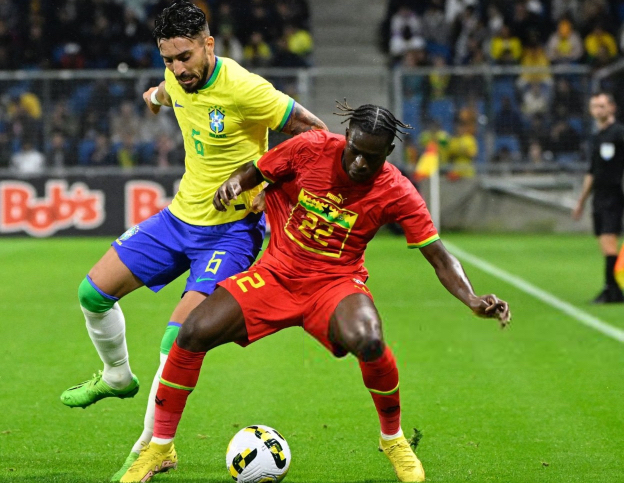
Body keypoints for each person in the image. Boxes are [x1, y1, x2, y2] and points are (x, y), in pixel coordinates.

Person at [121, 102, 512, 483]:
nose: (360, 163)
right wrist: (235, 184)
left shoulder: (397, 190)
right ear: (346, 137)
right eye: (355, 151)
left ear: (389, 153)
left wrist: (473, 299)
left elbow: (440, 257)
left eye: (371, 158)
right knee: (191, 334)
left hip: (335, 283)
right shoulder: (310, 147)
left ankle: (392, 440)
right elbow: (257, 170)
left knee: (370, 340)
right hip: (276, 273)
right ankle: (160, 448)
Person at [59, 2, 327, 480]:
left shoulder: (246, 88)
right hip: (179, 217)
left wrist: (271, 184)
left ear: (209, 45)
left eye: (185, 57)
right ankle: (118, 376)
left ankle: (154, 447)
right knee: (92, 294)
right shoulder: (176, 81)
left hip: (231, 232)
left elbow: (317, 134)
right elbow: (164, 93)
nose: (178, 68)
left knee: (178, 336)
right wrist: (155, 95)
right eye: (168, 59)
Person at [573, 91, 624, 303]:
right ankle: (613, 289)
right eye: (595, 106)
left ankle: (611, 289)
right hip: (599, 197)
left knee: (608, 240)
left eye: (602, 106)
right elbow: (591, 172)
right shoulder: (596, 138)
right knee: (604, 242)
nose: (598, 110)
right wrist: (581, 202)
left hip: (614, 195)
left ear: (612, 108)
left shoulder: (619, 133)